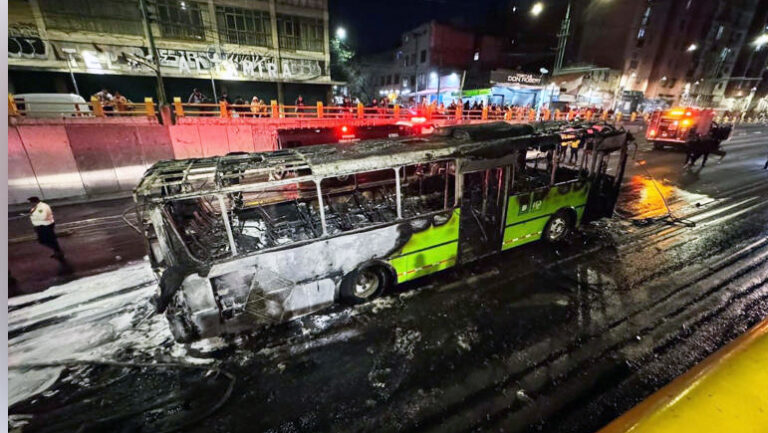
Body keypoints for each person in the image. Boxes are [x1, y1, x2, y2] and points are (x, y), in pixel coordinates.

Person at [27, 197, 67, 264]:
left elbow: (43, 216)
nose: (30, 204)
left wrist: (33, 216)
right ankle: (58, 251)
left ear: (34, 201)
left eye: (30, 202)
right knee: (51, 240)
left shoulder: (41, 207)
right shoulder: (38, 206)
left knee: (43, 240)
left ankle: (58, 251)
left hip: (44, 225)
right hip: (43, 225)